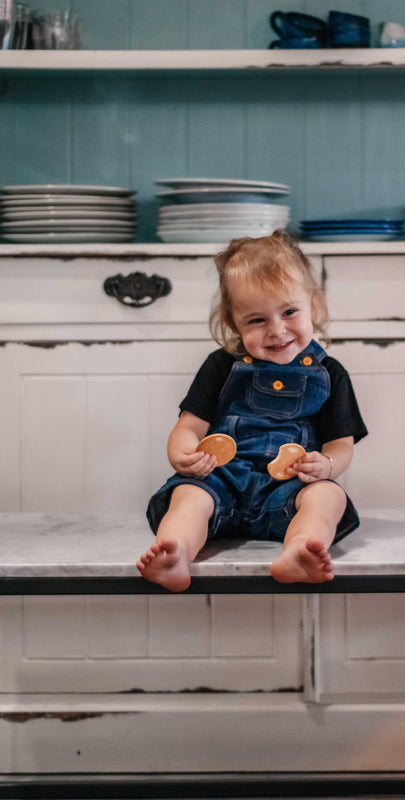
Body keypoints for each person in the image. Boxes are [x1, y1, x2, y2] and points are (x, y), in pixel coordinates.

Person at [137, 230, 367, 591]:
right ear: (234, 322)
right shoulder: (222, 366)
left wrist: (326, 465)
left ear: (314, 306)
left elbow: (341, 444)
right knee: (188, 495)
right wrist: (180, 452)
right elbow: (190, 425)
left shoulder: (329, 373)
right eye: (257, 320)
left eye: (289, 312)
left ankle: (299, 550)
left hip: (287, 490)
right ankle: (176, 553)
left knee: (328, 495)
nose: (277, 331)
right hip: (221, 479)